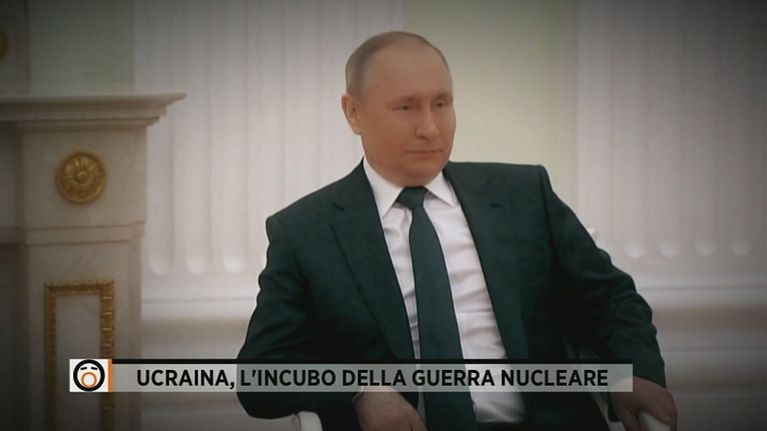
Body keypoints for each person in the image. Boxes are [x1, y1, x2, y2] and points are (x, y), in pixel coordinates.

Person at [238, 31, 677, 431]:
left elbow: (610, 299)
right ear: (354, 112)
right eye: (406, 107)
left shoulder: (523, 195)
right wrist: (359, 389)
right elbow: (260, 374)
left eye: (442, 104)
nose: (430, 128)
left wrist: (633, 373)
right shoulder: (306, 231)